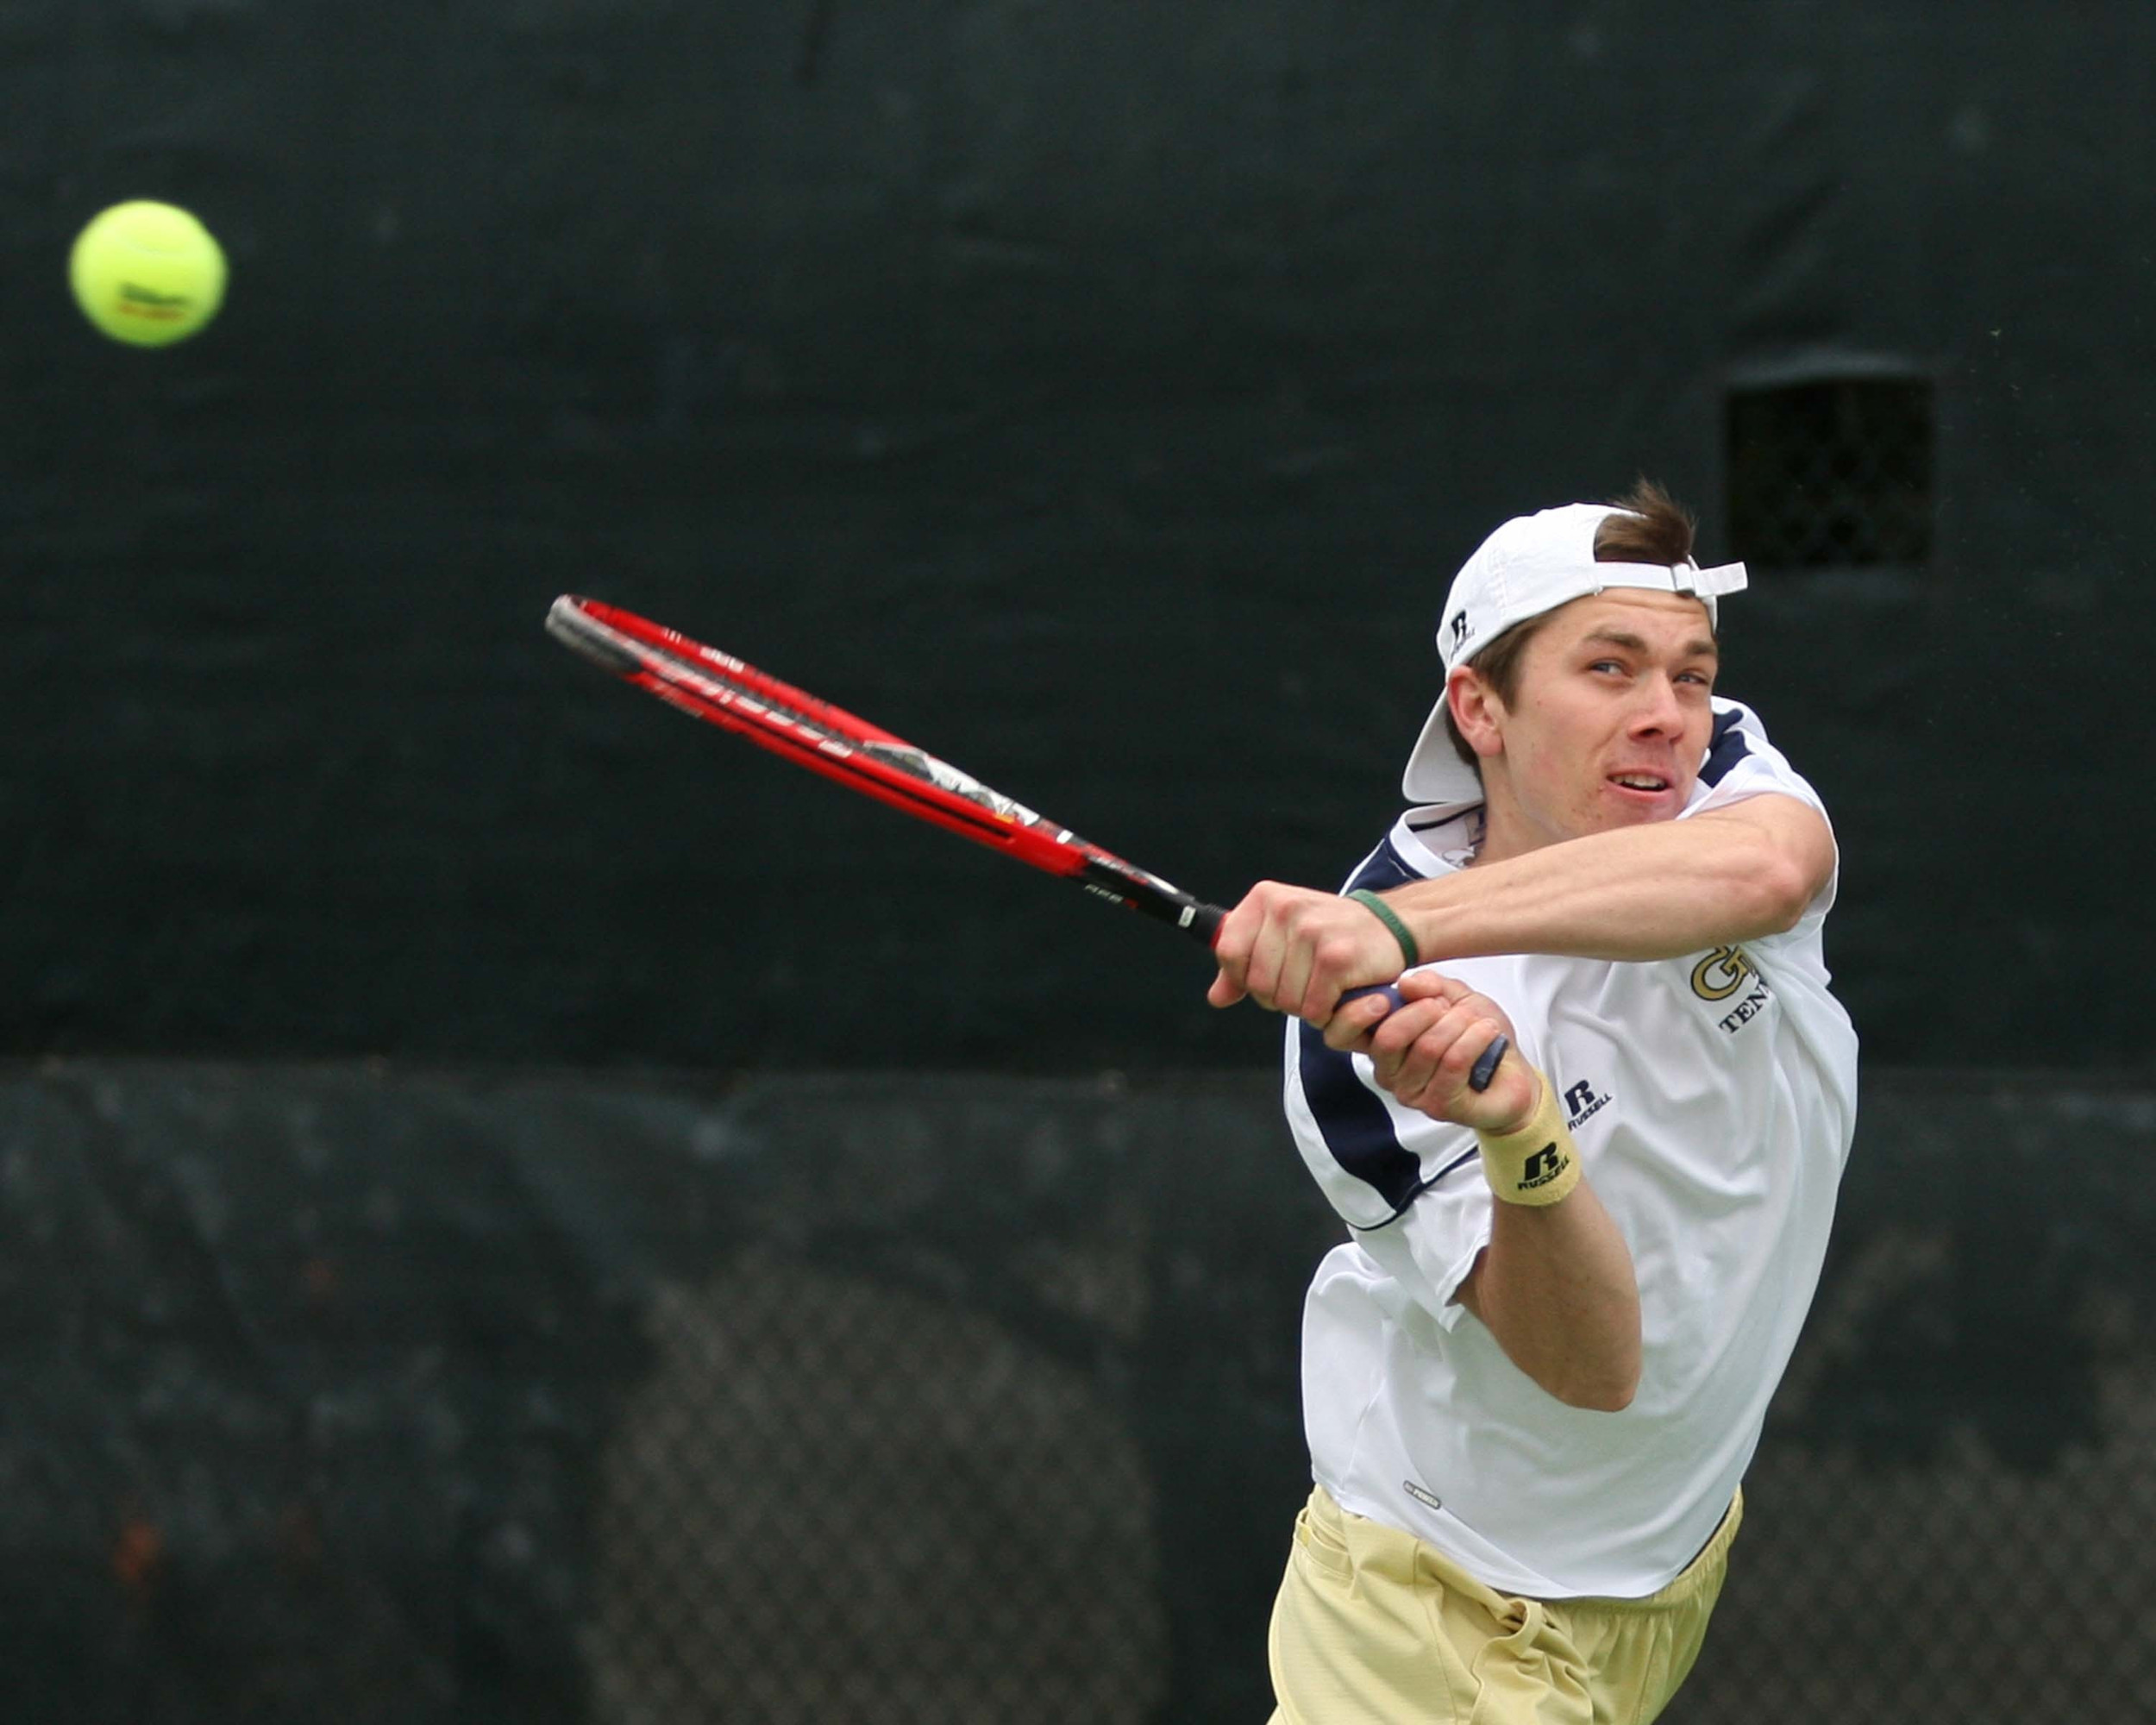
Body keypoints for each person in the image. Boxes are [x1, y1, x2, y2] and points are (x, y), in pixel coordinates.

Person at [1209, 482, 1858, 1725]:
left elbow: (1774, 867)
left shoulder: (1723, 780)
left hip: (1662, 1573)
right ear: (1479, 707)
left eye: (1689, 672)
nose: (1665, 716)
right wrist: (1518, 1127)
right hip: (1441, 1613)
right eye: (1609, 669)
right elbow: (1591, 1363)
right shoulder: (1361, 1056)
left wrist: (1387, 932)